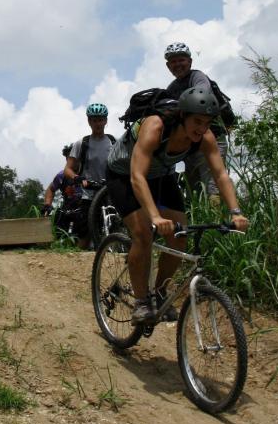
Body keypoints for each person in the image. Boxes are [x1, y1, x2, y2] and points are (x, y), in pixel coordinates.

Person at [106, 86, 248, 323]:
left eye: (207, 123)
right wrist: (155, 217)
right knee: (143, 235)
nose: (201, 129)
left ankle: (160, 294)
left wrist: (236, 212)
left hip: (161, 174)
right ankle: (141, 302)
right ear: (182, 115)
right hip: (124, 173)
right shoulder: (155, 127)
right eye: (197, 121)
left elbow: (220, 175)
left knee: (180, 236)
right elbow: (137, 177)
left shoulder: (205, 137)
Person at [164, 42, 231, 203]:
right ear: (168, 66)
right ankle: (199, 223)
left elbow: (201, 94)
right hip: (192, 143)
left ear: (190, 62)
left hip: (212, 137)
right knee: (194, 189)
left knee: (213, 185)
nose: (177, 64)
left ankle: (219, 224)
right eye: (173, 62)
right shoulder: (172, 88)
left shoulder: (197, 77)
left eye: (181, 60)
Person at [63, 103, 115, 249]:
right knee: (85, 231)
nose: (97, 123)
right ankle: (81, 261)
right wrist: (77, 178)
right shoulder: (82, 143)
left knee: (116, 224)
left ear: (105, 121)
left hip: (108, 191)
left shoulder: (113, 142)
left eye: (100, 120)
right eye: (94, 120)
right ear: (89, 121)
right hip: (88, 192)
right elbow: (68, 169)